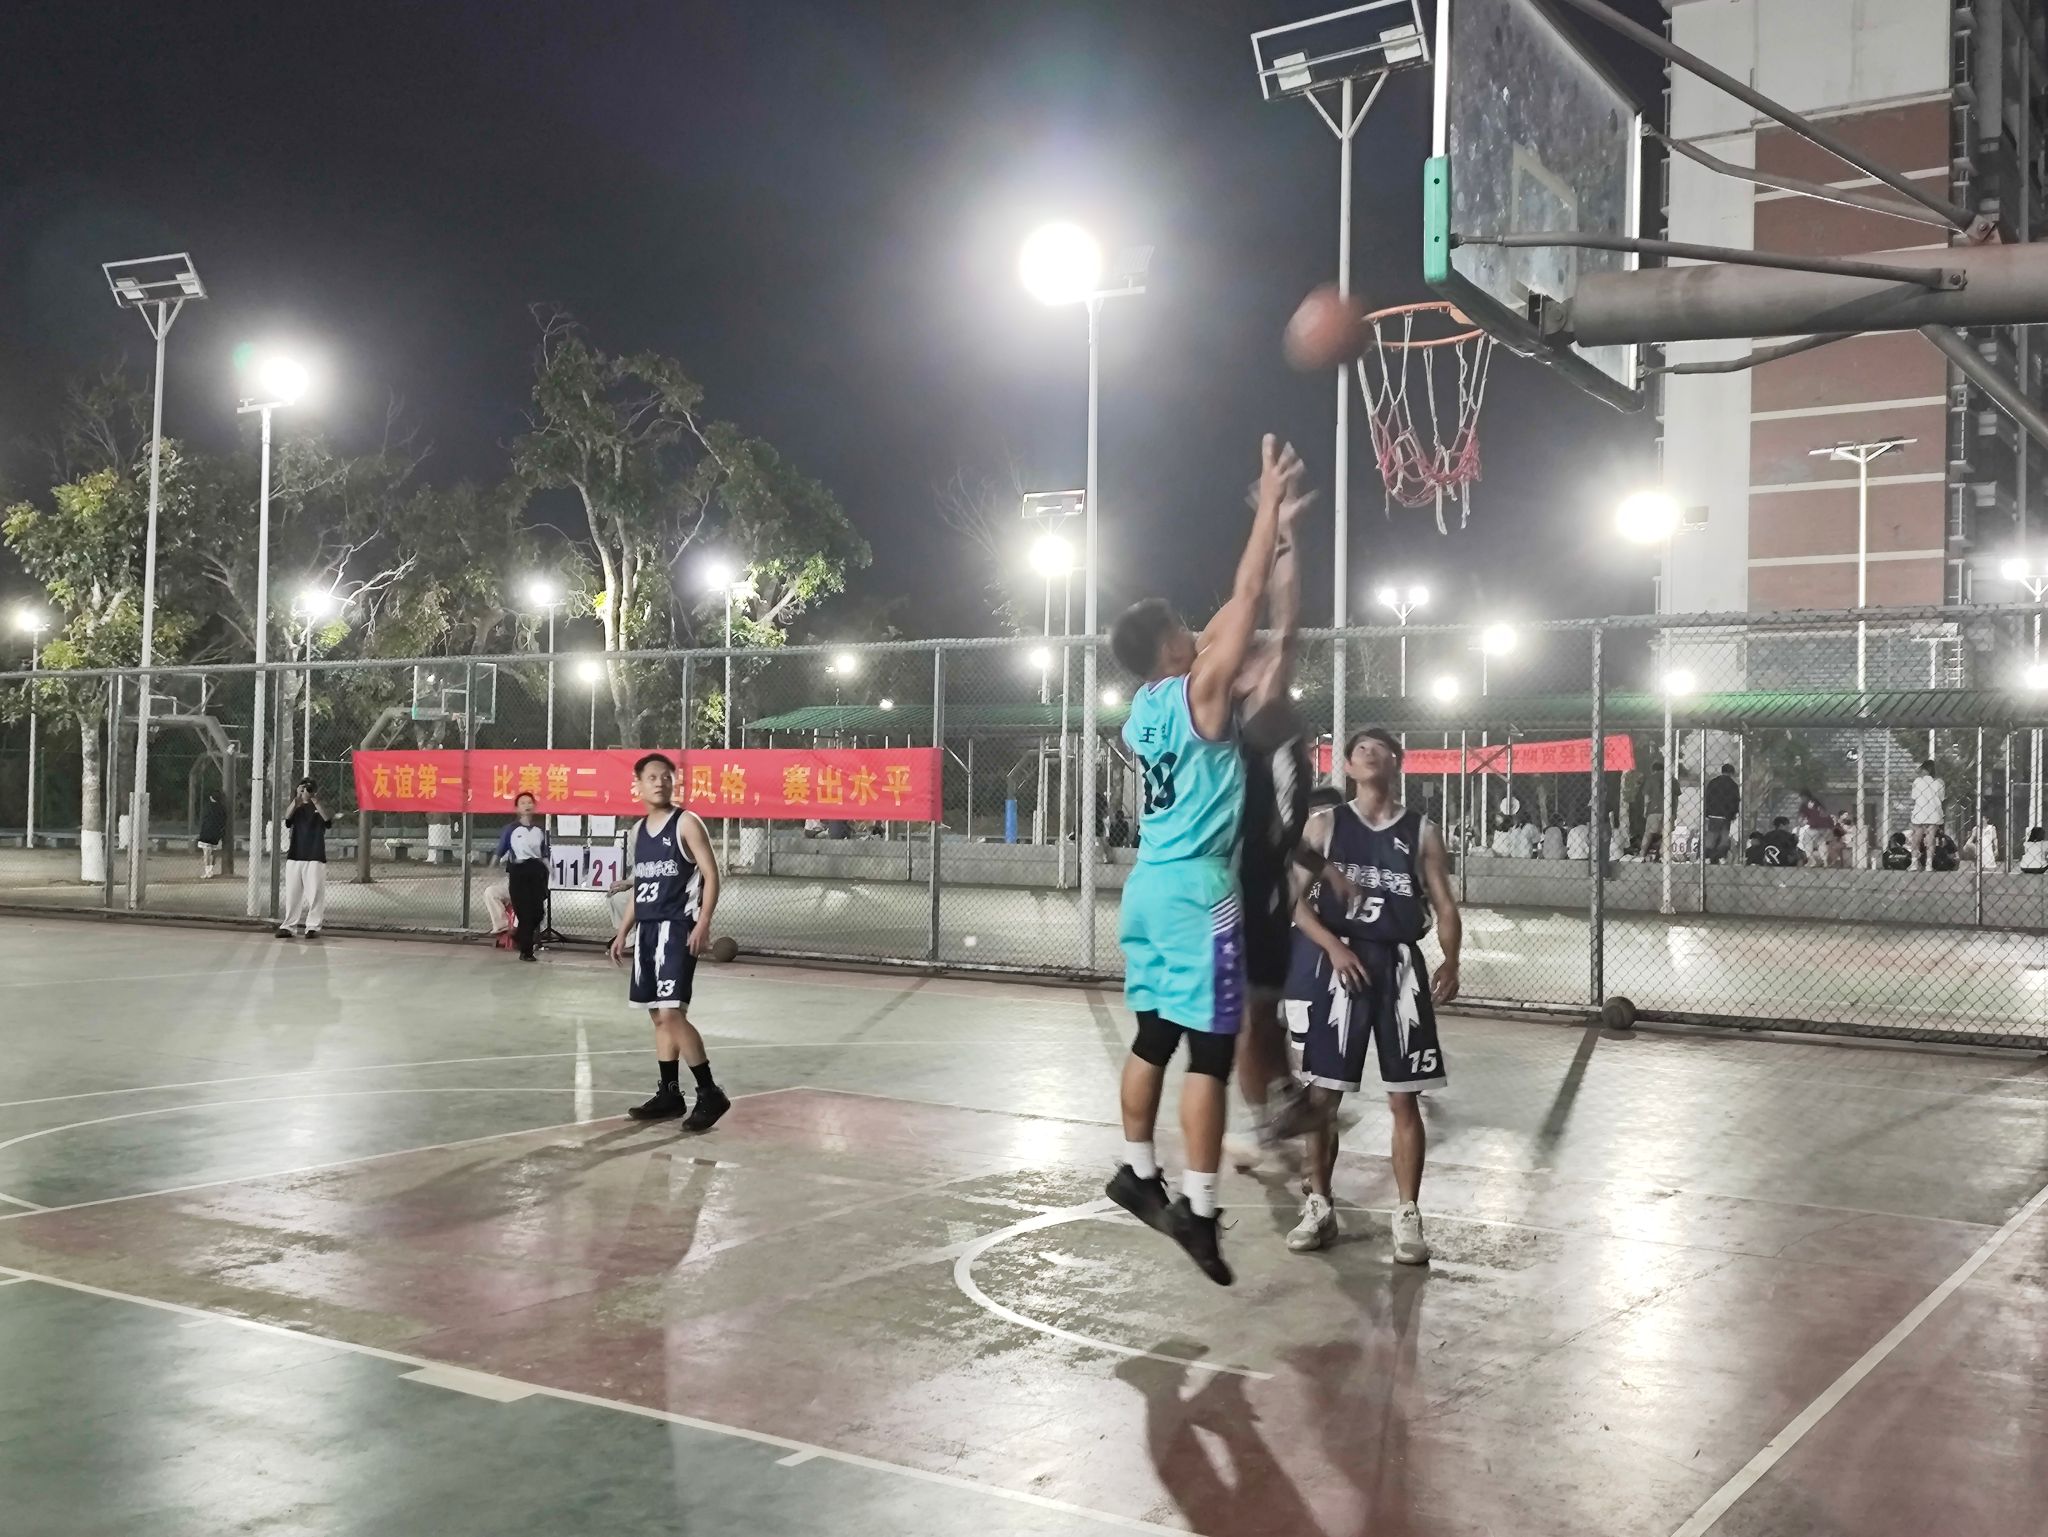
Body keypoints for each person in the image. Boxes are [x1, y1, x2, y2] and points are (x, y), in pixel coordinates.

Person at [1105, 433, 1298, 1287]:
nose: (1198, 630)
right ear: (1171, 647)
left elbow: (1228, 615)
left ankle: (1136, 1169)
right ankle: (1198, 1206)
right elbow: (1245, 601)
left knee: (1153, 1034)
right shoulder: (1202, 695)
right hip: (1198, 892)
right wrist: (1267, 505)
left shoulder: (1143, 710)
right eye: (1185, 628)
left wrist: (1271, 531)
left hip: (1147, 887)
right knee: (1212, 1054)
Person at [1282, 727, 1461, 1264]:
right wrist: (1333, 947)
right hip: (1342, 966)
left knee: (1404, 1098)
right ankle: (1319, 1204)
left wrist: (1452, 960)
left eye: (1379, 748)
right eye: (1359, 749)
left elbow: (1444, 904)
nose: (1368, 752)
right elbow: (1293, 901)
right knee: (1323, 1095)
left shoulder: (1422, 831)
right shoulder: (1325, 825)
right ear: (1348, 767)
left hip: (1400, 965)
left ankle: (1407, 1214)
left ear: (1396, 763)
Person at [608, 753, 731, 1132]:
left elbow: (712, 874)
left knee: (672, 1012)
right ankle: (670, 1093)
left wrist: (703, 921)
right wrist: (623, 930)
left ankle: (709, 1092)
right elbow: (641, 886)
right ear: (637, 785)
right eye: (652, 777)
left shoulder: (686, 823)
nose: (660, 782)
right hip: (647, 930)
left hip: (677, 928)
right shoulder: (638, 831)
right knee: (658, 1015)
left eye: (667, 776)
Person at [494, 792, 551, 961]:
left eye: (529, 802)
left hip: (536, 873)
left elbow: (543, 853)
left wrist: (550, 869)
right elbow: (500, 850)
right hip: (518, 873)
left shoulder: (539, 830)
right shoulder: (511, 829)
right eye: (523, 803)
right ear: (517, 808)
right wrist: (491, 866)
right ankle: (526, 951)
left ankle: (519, 936)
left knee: (538, 913)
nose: (527, 805)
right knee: (525, 913)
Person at [277, 778, 332, 939]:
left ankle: (313, 926)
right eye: (303, 789)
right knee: (292, 894)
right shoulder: (297, 807)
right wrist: (297, 799)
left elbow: (328, 820)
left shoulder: (320, 806)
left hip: (315, 855)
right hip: (295, 855)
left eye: (308, 789)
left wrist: (314, 800)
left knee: (315, 893)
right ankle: (288, 926)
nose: (305, 792)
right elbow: (287, 819)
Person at [1909, 761, 1945, 870]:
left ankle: (1914, 862)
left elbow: (1914, 796)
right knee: (1931, 839)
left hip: (1920, 813)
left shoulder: (1917, 782)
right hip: (1934, 813)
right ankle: (1929, 864)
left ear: (1924, 770)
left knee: (1916, 838)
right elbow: (1942, 798)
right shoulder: (1939, 782)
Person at [1702, 763, 1739, 864]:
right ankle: (1721, 857)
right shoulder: (1733, 785)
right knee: (1724, 836)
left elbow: (1707, 798)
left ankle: (1707, 856)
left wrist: (1707, 812)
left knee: (1711, 836)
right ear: (1731, 773)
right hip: (1726, 814)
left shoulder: (1713, 782)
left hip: (1713, 813)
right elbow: (1735, 800)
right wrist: (1733, 813)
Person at [1796, 790, 1833, 866]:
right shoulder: (1817, 802)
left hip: (1816, 826)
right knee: (1821, 842)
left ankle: (1811, 860)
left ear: (1804, 797)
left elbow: (1801, 817)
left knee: (1806, 840)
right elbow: (1824, 812)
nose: (1801, 799)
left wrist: (1801, 822)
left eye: (1801, 797)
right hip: (1825, 826)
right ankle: (1824, 861)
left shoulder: (1805, 804)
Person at [196, 790, 227, 879]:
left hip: (206, 832)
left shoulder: (207, 807)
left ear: (211, 797)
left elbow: (203, 819)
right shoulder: (222, 808)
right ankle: (211, 869)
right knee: (213, 852)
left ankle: (207, 871)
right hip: (216, 833)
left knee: (206, 852)